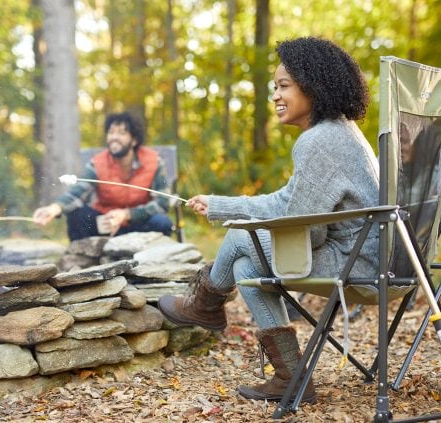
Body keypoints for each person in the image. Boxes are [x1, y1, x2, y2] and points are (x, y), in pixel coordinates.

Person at [158, 37, 379, 404]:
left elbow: (306, 230)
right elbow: (288, 202)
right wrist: (219, 204)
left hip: (360, 265)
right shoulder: (338, 132)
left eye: (284, 86)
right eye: (275, 86)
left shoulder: (319, 141)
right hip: (370, 260)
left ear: (314, 85)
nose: (275, 96)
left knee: (241, 240)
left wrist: (234, 218)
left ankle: (207, 304)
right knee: (246, 267)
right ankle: (291, 376)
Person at [33, 112, 173, 241]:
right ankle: (82, 259)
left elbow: (163, 203)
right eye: (111, 132)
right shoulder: (97, 163)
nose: (114, 137)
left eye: (122, 133)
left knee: (162, 223)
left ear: (134, 140)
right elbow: (77, 193)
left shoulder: (153, 161)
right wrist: (53, 208)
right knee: (77, 215)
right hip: (104, 223)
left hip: (137, 223)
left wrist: (127, 214)